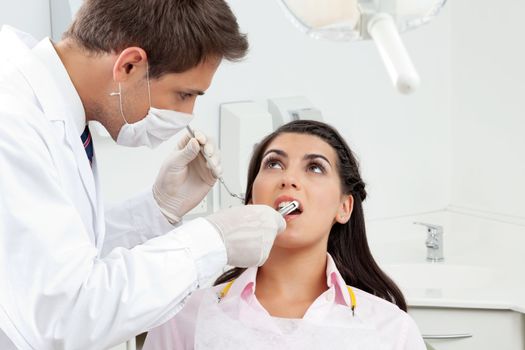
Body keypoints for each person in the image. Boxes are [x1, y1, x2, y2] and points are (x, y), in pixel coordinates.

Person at [0, 1, 286, 349]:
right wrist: (212, 242)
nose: (187, 113)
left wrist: (156, 210)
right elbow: (65, 316)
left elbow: (58, 257)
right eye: (184, 94)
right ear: (129, 65)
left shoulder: (45, 94)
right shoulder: (13, 119)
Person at [143, 120, 426, 350]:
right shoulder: (185, 317)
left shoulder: (392, 330)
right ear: (252, 199)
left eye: (315, 167)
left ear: (344, 207)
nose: (288, 179)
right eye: (274, 164)